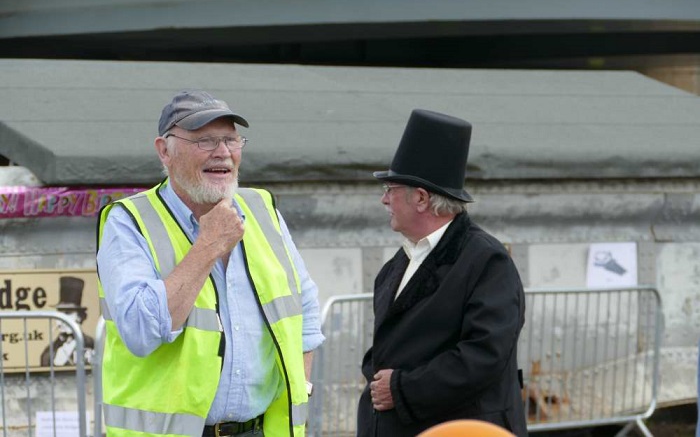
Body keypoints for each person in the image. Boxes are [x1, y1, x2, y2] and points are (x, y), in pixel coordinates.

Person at [96, 90, 324, 437]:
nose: (223, 152)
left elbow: (305, 312)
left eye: (231, 139)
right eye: (204, 140)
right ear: (164, 150)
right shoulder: (129, 222)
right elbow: (140, 332)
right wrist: (208, 246)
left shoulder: (262, 209)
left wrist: (301, 387)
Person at [357, 109, 528, 436]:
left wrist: (403, 388)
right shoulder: (398, 263)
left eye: (391, 189)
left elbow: (483, 355)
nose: (384, 199)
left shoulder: (486, 261)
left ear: (420, 198)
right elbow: (390, 349)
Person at [40, 275, 95, 367]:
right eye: (59, 314)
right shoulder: (49, 352)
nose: (62, 320)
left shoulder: (92, 345)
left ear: (79, 317)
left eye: (67, 313)